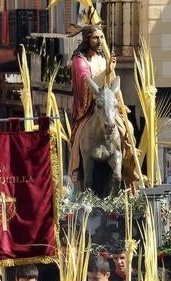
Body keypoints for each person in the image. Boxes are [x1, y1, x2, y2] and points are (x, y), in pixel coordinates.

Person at [68, 24, 117, 191]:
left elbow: (109, 86)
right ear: (87, 39)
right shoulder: (79, 61)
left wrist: (110, 73)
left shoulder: (103, 59)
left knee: (127, 129)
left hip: (107, 106)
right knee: (81, 135)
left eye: (101, 38)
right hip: (89, 108)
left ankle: (130, 166)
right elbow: (85, 82)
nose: (99, 41)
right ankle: (77, 169)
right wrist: (107, 72)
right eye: (96, 38)